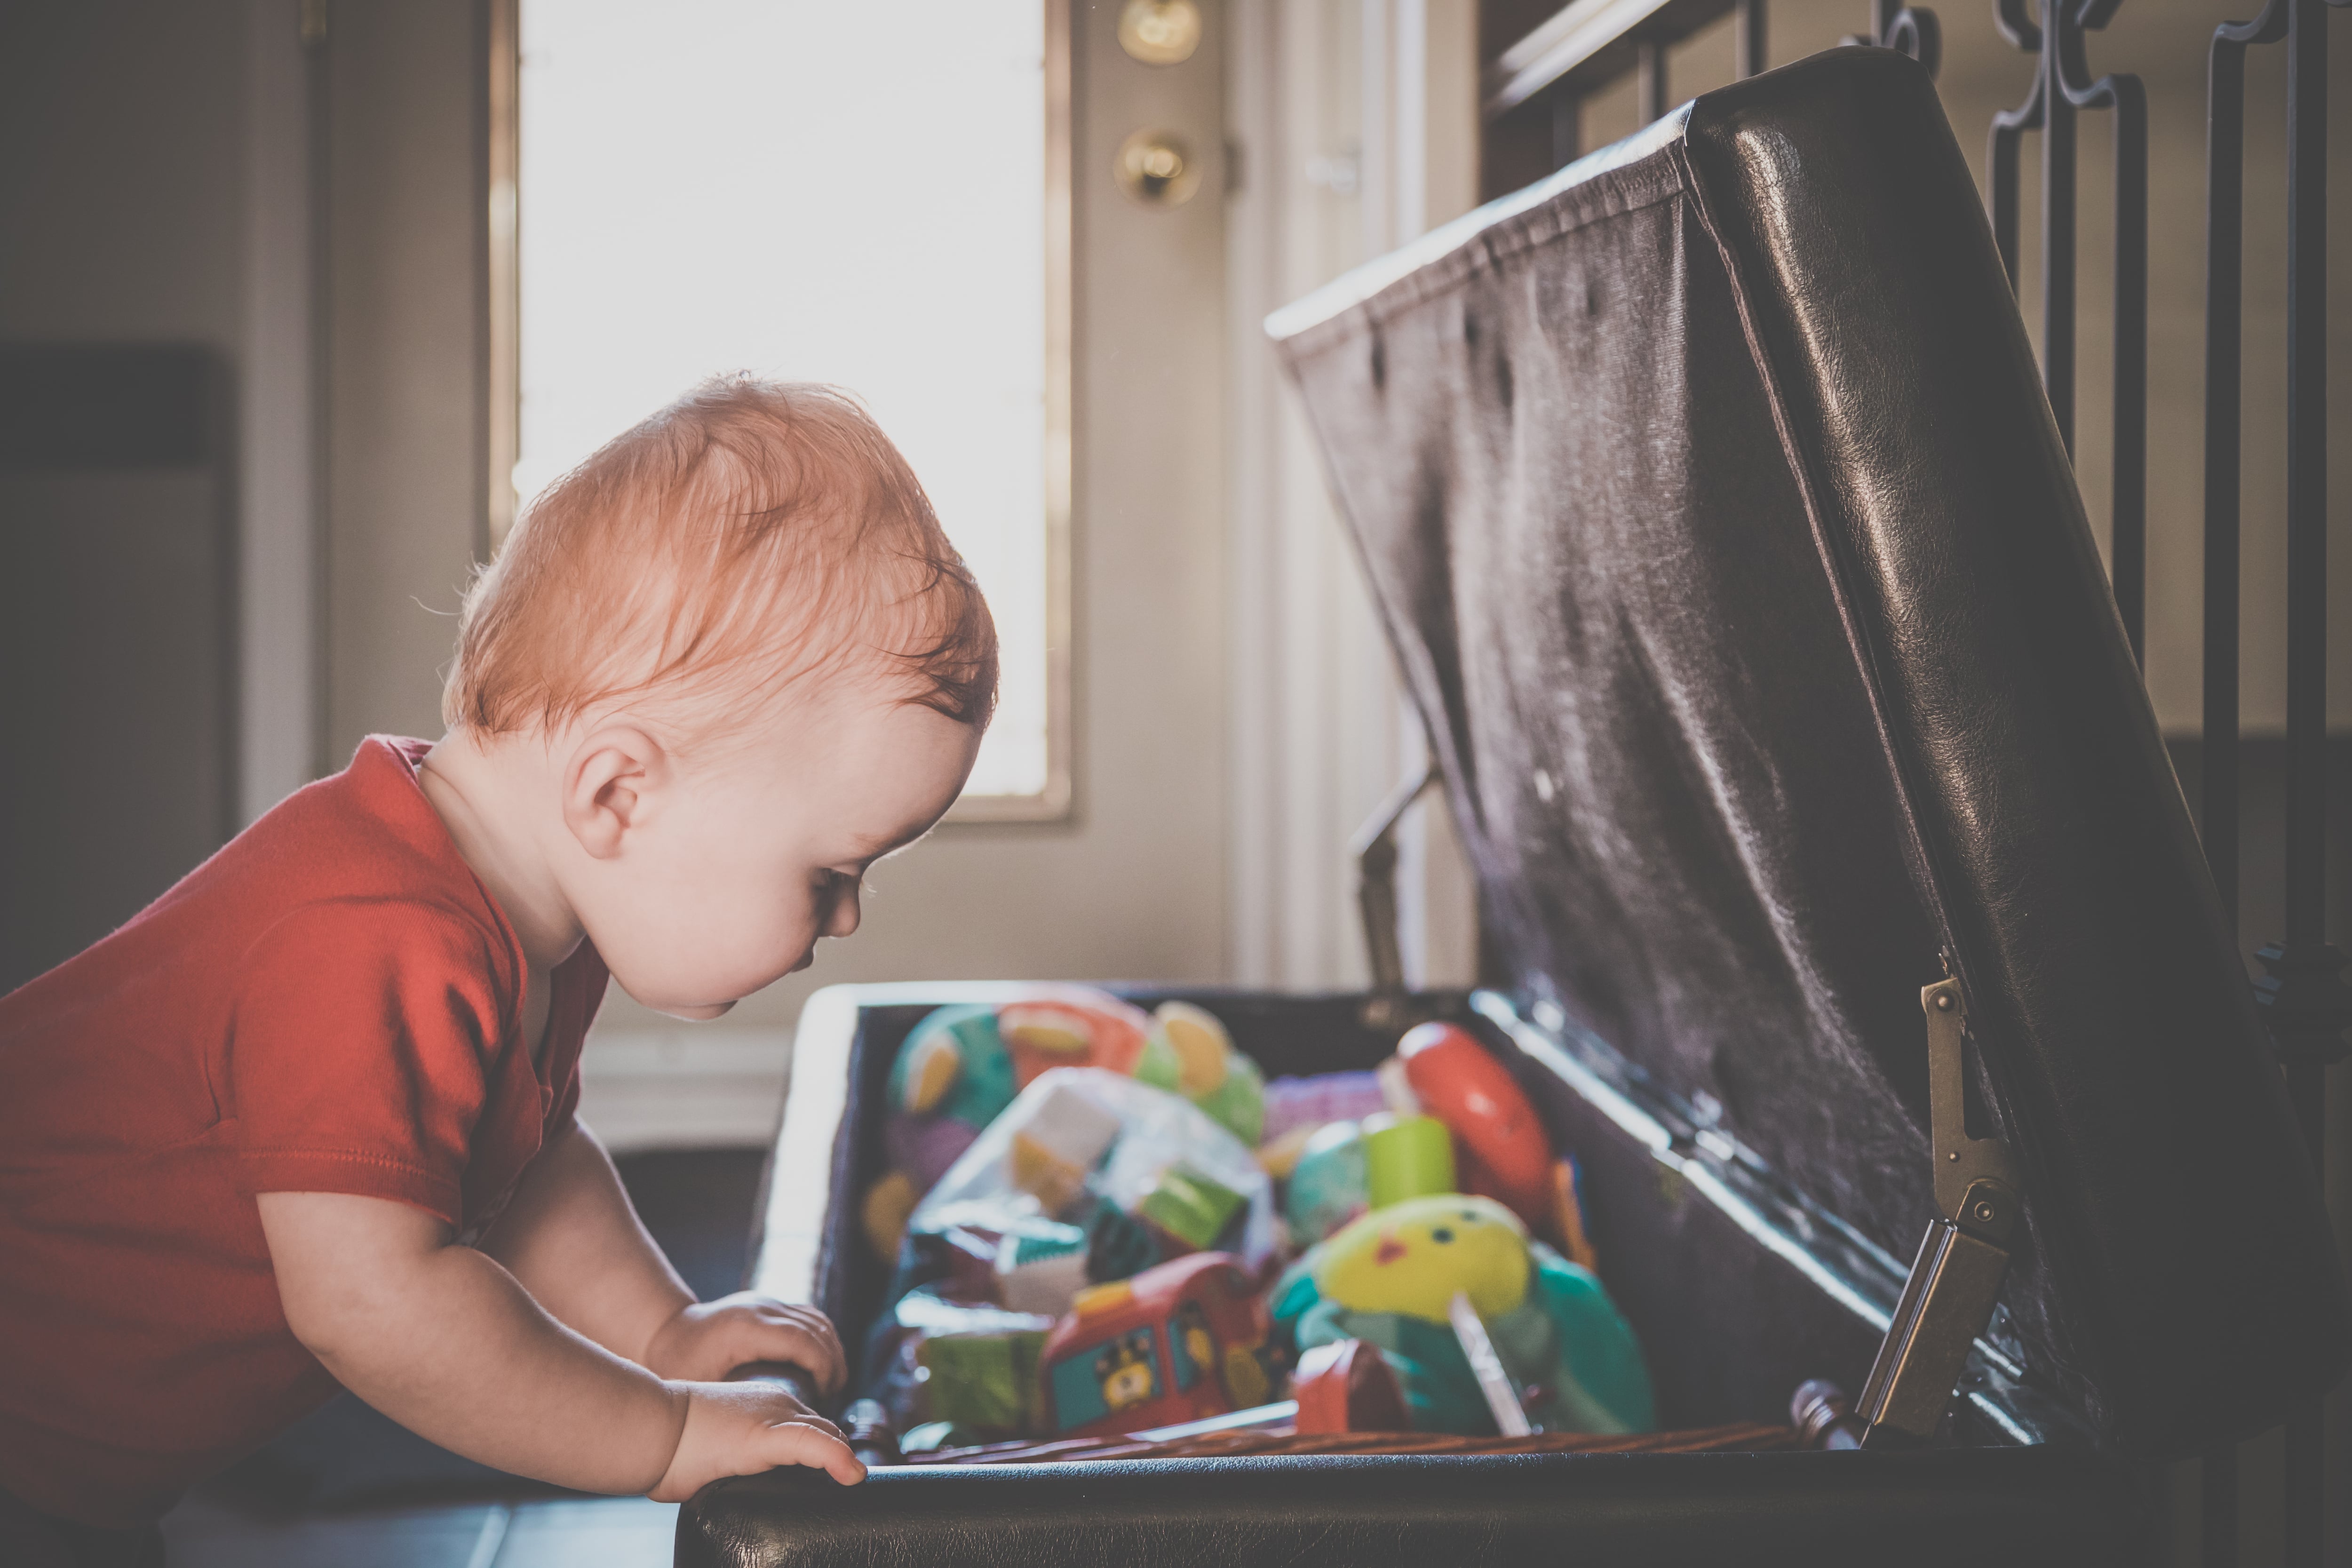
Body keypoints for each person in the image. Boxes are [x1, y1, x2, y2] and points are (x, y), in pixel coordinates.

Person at [0, 376, 997, 1563]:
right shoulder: (368, 931)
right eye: (833, 869)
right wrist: (662, 1430)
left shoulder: (522, 927)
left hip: (76, 1465)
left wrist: (664, 1328)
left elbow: (521, 1166)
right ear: (618, 793)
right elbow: (374, 1304)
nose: (846, 917)